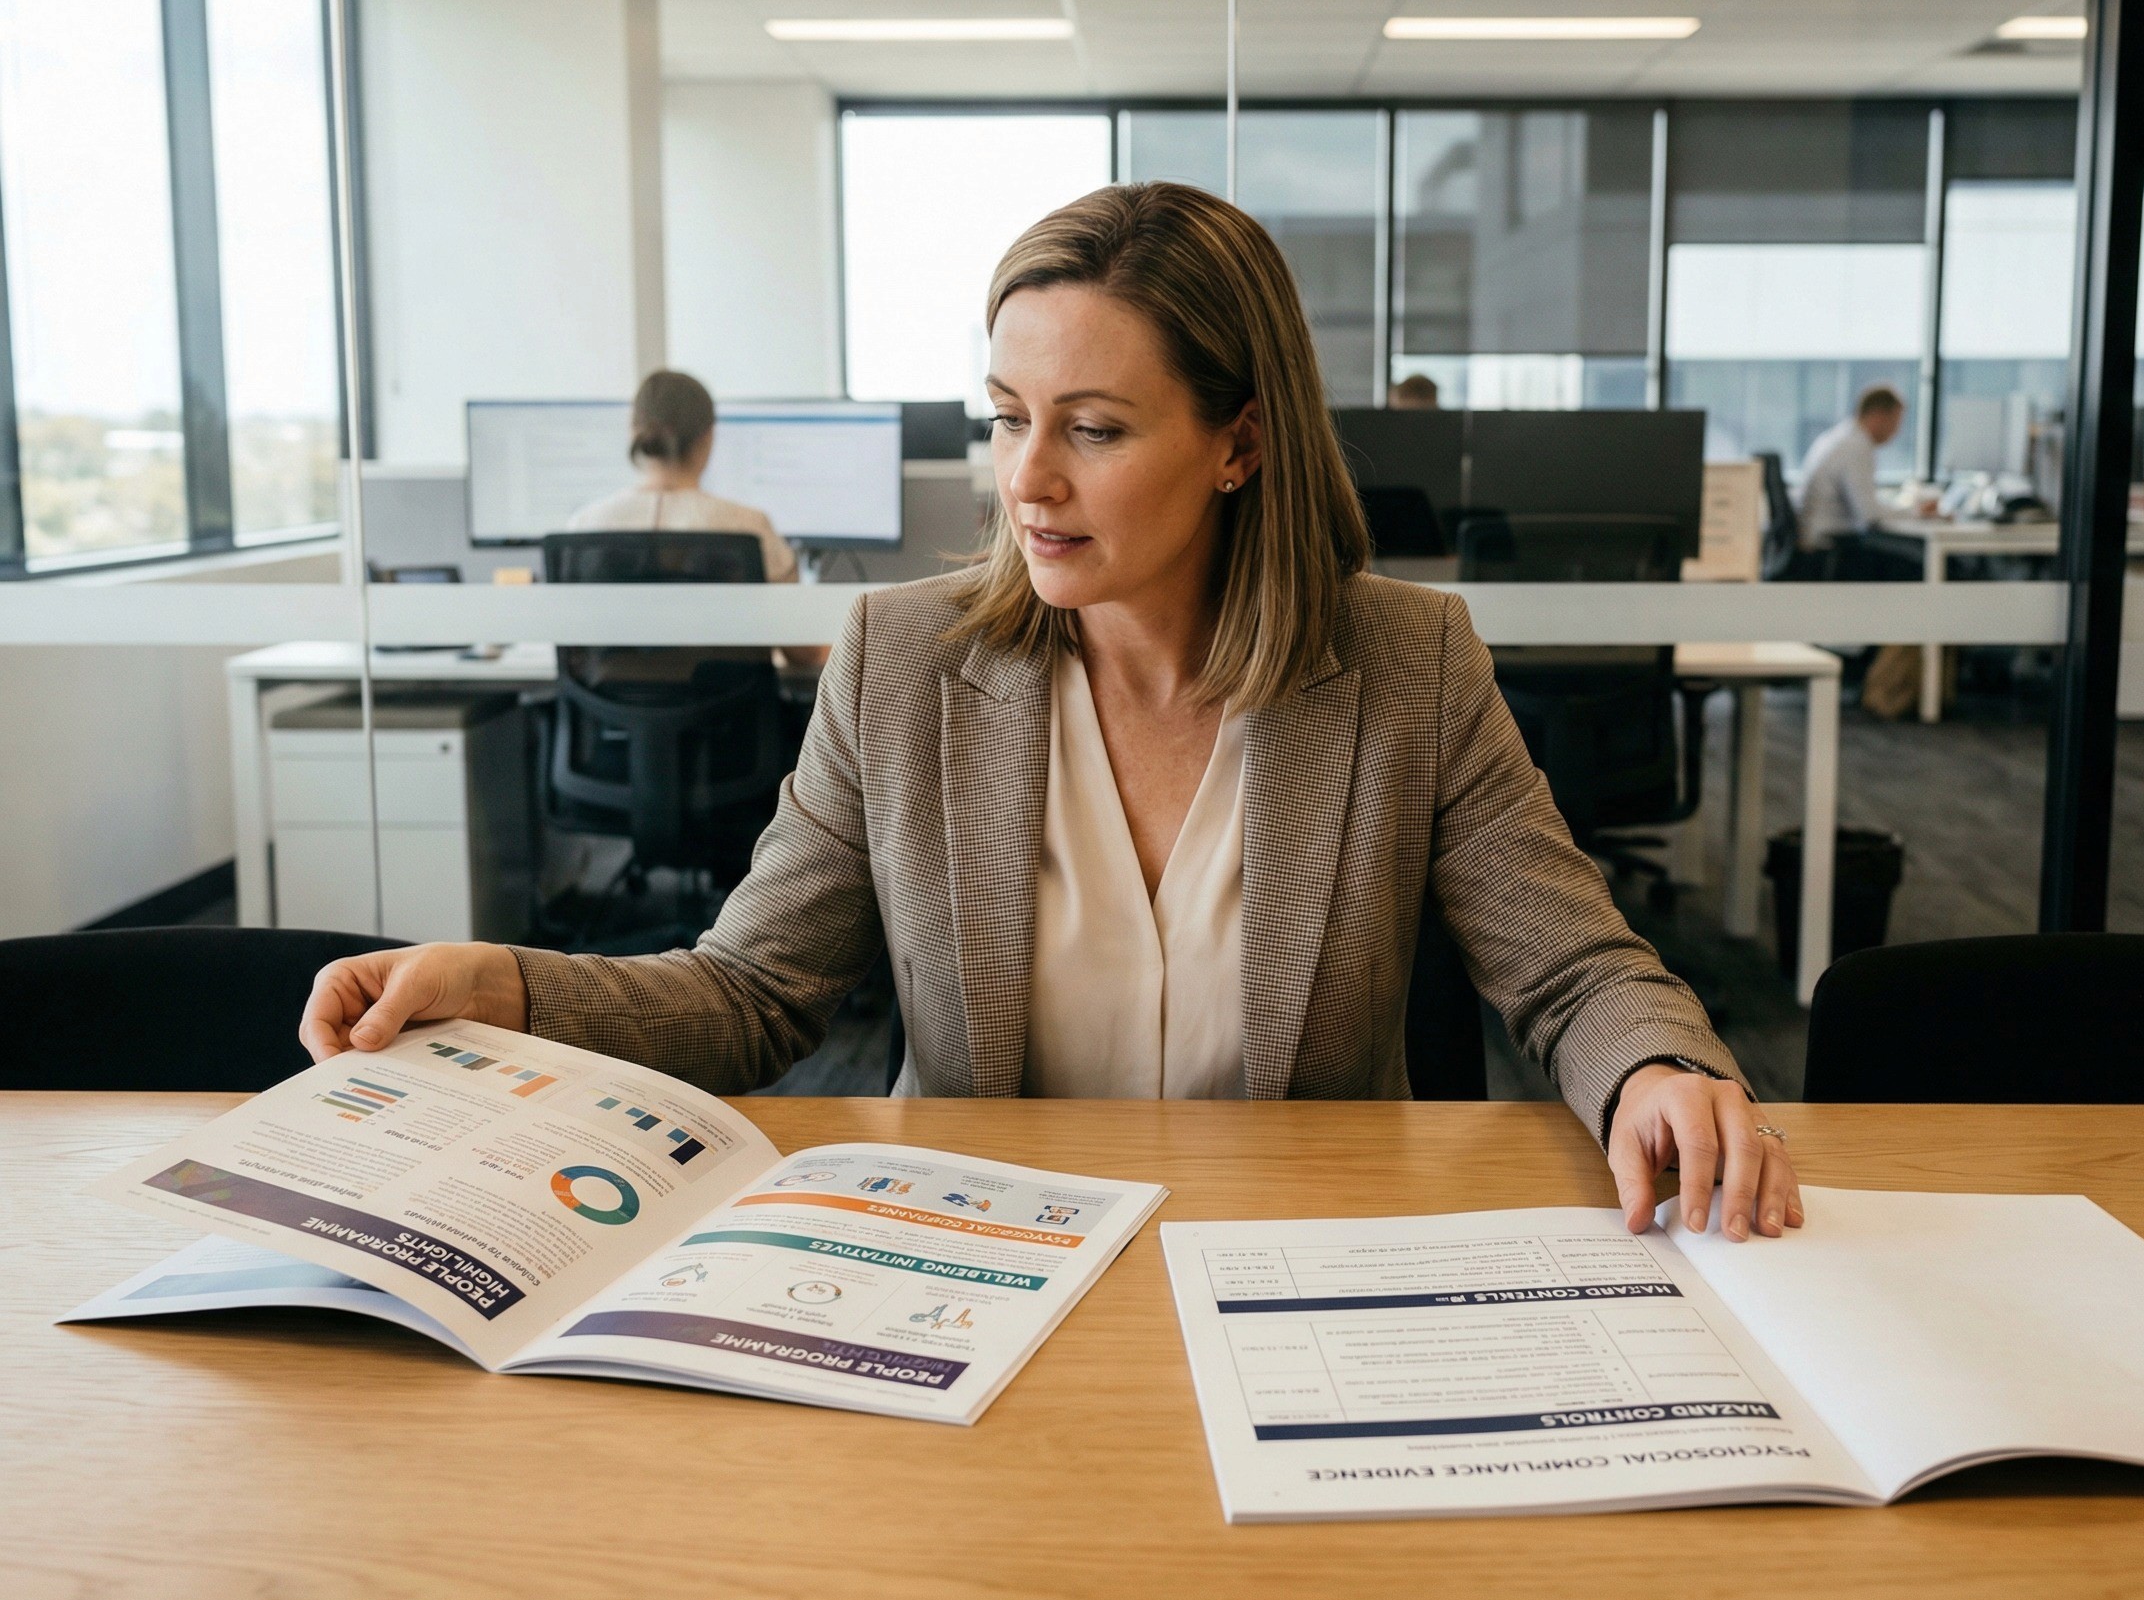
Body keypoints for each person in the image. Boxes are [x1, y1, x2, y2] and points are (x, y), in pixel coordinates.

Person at [304, 182, 1799, 1244]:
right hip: (978, 1264)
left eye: (1092, 429)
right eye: (1007, 416)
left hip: (1302, 1262)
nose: (1028, 479)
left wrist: (1658, 1068)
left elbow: (1574, 969)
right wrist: (510, 982)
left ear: (1240, 445)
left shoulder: (1405, 664)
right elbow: (754, 995)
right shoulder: (901, 662)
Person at [567, 368, 800, 584]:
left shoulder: (583, 526)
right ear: (708, 438)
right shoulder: (750, 527)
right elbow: (788, 611)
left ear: (634, 432)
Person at [1795, 383, 1905, 555]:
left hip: (1820, 537)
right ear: (1879, 416)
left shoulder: (1839, 436)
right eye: (1896, 422)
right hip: (1832, 545)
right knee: (1922, 561)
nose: (1896, 432)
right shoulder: (1856, 446)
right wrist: (1916, 514)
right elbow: (1870, 515)